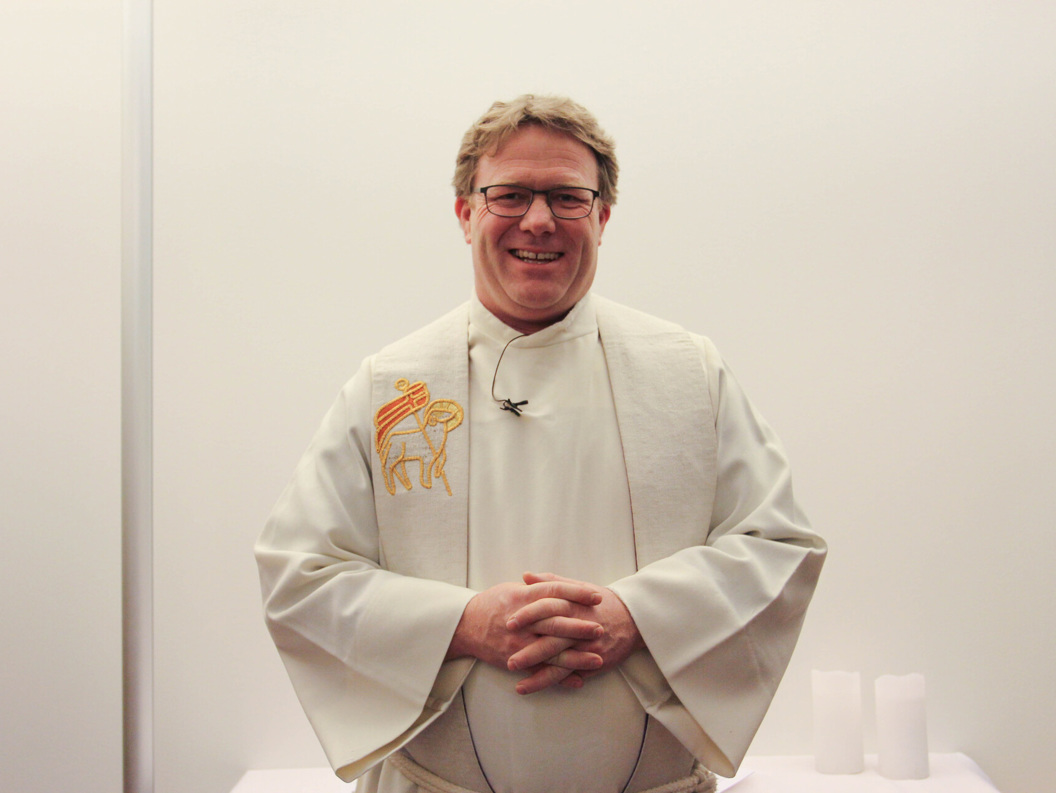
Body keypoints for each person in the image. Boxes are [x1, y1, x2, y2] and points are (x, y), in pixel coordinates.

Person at [256, 94, 826, 793]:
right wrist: (464, 623)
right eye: (510, 195)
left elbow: (779, 547)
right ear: (465, 214)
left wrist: (637, 616)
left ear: (602, 216)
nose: (538, 220)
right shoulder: (390, 387)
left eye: (566, 197)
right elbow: (299, 576)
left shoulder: (687, 372)